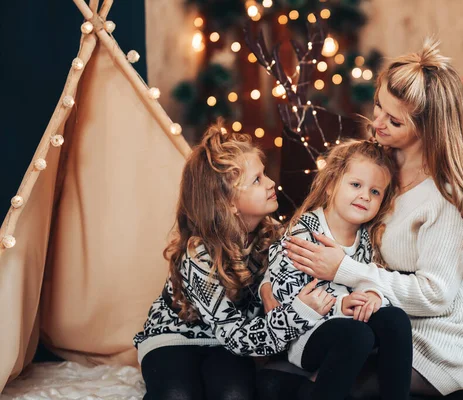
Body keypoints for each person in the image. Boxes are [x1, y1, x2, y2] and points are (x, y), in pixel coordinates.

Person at [276, 38, 463, 400]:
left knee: (330, 388)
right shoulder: (381, 164)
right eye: (378, 106)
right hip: (383, 318)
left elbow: (436, 296)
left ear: (428, 128)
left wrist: (343, 270)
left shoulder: (446, 198)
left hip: (436, 339)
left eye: (393, 120)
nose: (376, 122)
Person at [134, 122, 335, 400]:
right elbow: (238, 337)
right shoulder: (199, 255)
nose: (270, 183)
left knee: (235, 395)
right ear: (227, 202)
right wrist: (299, 312)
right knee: (177, 395)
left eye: (264, 175)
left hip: (224, 344)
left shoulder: (275, 237)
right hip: (175, 337)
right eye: (257, 180)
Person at [260, 139, 413, 400]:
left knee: (396, 319)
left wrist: (374, 295)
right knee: (357, 334)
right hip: (306, 335)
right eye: (356, 185)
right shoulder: (305, 233)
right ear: (331, 185)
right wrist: (341, 305)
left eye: (375, 192)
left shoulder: (365, 238)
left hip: (350, 325)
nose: (365, 195)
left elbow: (371, 277)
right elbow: (284, 295)